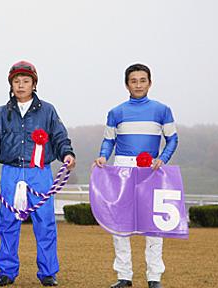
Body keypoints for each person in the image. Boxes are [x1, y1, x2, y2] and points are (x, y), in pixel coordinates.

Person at [0, 61, 76, 287]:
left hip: (40, 172)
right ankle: (6, 271)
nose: (21, 85)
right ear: (11, 85)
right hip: (11, 173)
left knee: (45, 223)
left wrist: (67, 154)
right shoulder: (1, 112)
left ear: (34, 84)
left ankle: (47, 273)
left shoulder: (48, 111)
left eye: (26, 81)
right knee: (7, 222)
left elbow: (59, 136)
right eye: (17, 81)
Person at [94, 64, 178, 288]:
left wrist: (163, 159)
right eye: (134, 80)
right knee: (120, 224)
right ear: (126, 84)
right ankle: (124, 276)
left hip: (151, 169)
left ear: (150, 83)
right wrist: (103, 156)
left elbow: (173, 139)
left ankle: (154, 277)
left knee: (153, 225)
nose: (138, 84)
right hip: (121, 168)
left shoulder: (162, 110)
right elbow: (108, 140)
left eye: (143, 80)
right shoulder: (116, 112)